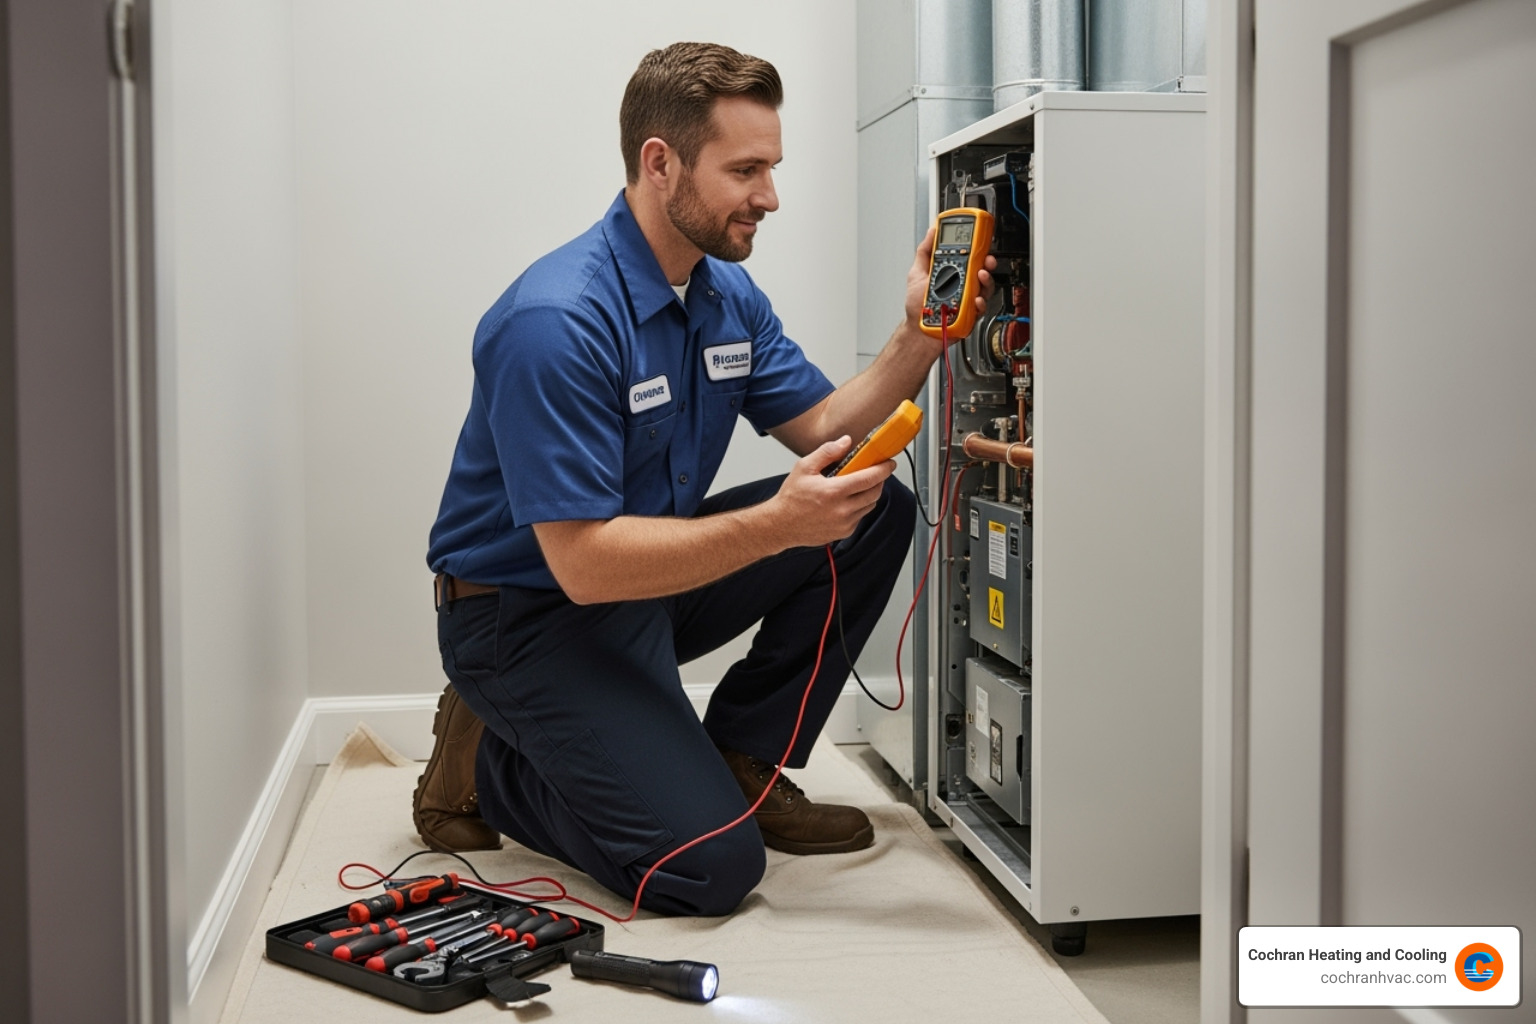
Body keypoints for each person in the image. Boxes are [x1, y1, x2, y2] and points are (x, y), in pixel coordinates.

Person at [416, 42, 992, 917]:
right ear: (661, 163)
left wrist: (920, 334)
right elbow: (583, 566)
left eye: (772, 168)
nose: (770, 196)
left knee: (873, 510)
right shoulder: (555, 321)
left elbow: (825, 426)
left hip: (642, 582)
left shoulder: (722, 295)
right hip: (527, 616)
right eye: (746, 171)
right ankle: (495, 764)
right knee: (708, 870)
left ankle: (739, 759)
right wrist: (777, 525)